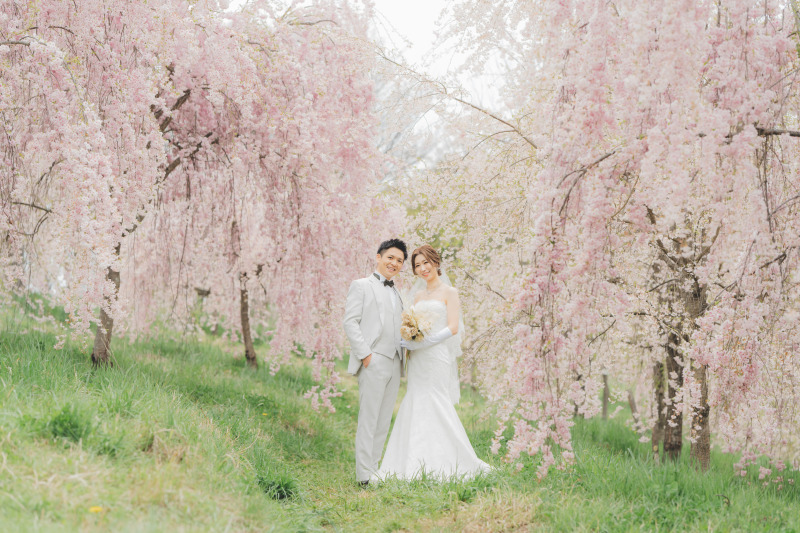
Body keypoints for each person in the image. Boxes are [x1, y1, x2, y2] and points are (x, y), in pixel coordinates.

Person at [376, 244, 490, 481]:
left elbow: (453, 327)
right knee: (416, 399)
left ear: (436, 262)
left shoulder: (450, 292)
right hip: (418, 359)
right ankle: (412, 461)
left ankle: (452, 460)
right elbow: (409, 322)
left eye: (426, 263)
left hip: (436, 355)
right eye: (417, 265)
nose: (422, 268)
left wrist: (425, 342)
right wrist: (409, 339)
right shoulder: (417, 296)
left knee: (436, 401)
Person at [343, 238, 408, 486]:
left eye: (399, 260)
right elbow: (350, 322)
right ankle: (363, 476)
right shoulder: (361, 285)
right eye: (390, 257)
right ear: (379, 257)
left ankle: (375, 470)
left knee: (383, 420)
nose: (394, 263)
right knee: (369, 419)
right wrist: (366, 355)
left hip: (395, 362)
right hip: (374, 359)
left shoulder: (398, 293)